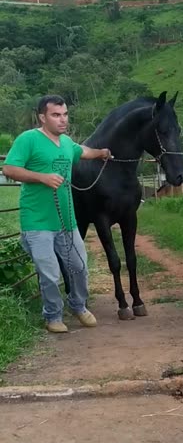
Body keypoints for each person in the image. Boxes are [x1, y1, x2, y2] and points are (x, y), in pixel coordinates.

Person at [3, 95, 112, 333]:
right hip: (37, 221)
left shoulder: (66, 142)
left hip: (67, 221)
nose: (63, 120)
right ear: (42, 117)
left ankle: (78, 306)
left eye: (65, 114)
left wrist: (101, 152)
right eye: (56, 115)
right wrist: (42, 177)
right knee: (50, 274)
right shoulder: (29, 139)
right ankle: (53, 316)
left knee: (80, 267)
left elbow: (82, 151)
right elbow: (9, 168)